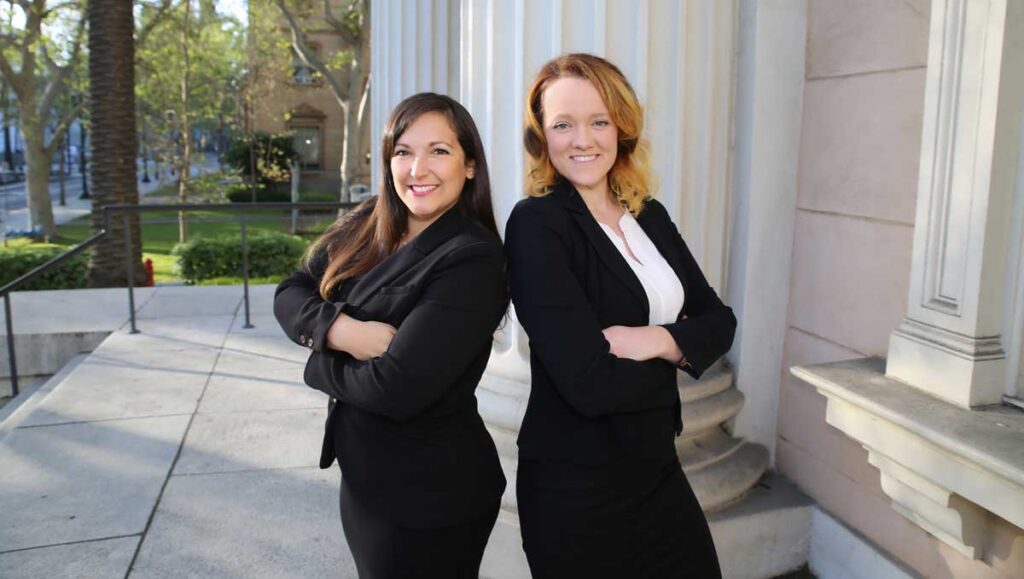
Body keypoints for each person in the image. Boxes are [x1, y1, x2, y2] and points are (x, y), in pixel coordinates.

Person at [505, 53, 736, 578]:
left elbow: (720, 322)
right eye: (562, 124)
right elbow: (588, 383)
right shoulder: (536, 225)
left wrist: (654, 339)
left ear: (621, 128)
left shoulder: (645, 212)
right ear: (542, 136)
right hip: (577, 487)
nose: (582, 139)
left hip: (656, 468)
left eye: (598, 121)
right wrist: (683, 347)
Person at [273, 92, 507, 579]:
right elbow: (290, 290)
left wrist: (316, 362)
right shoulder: (369, 220)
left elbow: (396, 389)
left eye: (439, 151)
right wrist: (341, 331)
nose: (418, 168)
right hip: (366, 479)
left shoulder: (474, 258)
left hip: (428, 496)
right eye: (403, 151)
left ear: (469, 166)